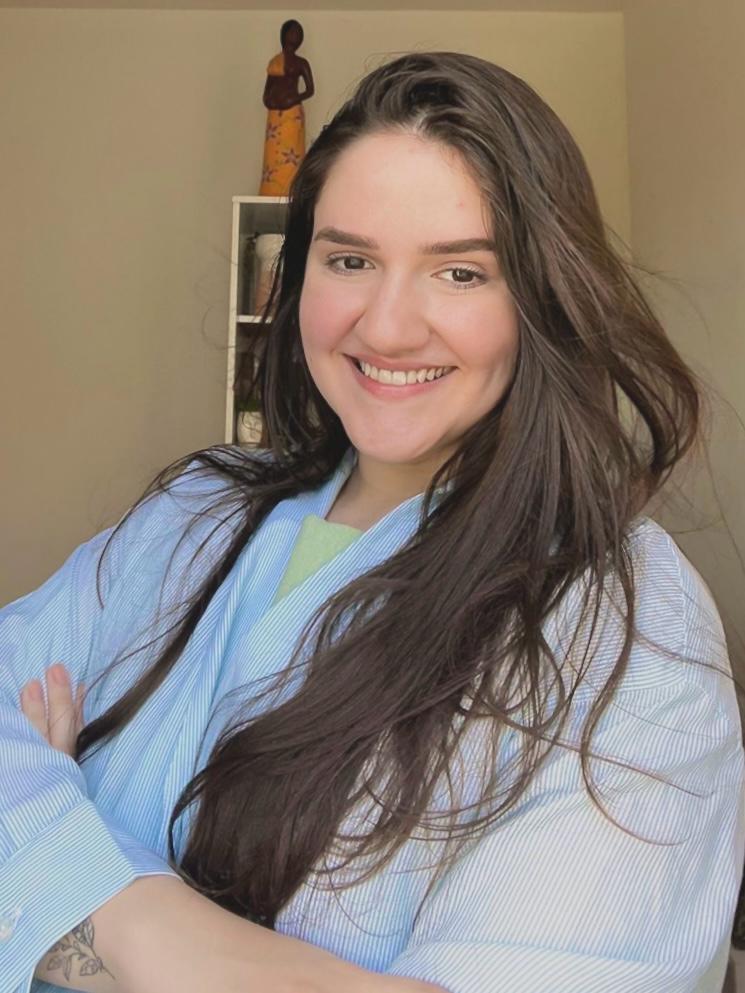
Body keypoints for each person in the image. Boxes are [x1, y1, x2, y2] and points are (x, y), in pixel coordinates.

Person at [1, 50, 744, 993]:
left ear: (543, 298)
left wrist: (92, 884)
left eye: (460, 272)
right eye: (349, 260)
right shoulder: (195, 511)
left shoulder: (620, 618)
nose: (386, 327)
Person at [258, 19, 314, 197]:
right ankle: (271, 190)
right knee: (273, 154)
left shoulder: (301, 63)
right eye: (292, 32)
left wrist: (293, 99)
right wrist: (269, 100)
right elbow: (268, 90)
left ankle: (291, 190)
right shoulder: (275, 62)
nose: (294, 36)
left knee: (292, 151)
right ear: (283, 35)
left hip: (292, 114)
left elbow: (310, 90)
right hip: (275, 115)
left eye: (298, 33)